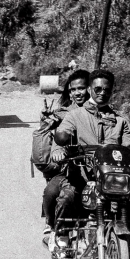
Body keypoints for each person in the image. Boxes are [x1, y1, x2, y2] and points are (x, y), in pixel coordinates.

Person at [49, 69, 130, 250]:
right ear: (90, 89)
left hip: (112, 178)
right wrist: (59, 149)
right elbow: (62, 134)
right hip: (84, 175)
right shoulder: (75, 115)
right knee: (67, 197)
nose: (102, 93)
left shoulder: (120, 121)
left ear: (112, 91)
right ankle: (62, 233)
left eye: (107, 90)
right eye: (98, 89)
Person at [39, 70, 90, 244]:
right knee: (52, 192)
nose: (77, 93)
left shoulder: (102, 111)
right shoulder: (68, 113)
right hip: (71, 169)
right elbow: (59, 119)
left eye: (81, 88)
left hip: (100, 169)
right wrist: (50, 120)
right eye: (73, 90)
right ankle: (54, 226)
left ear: (89, 88)